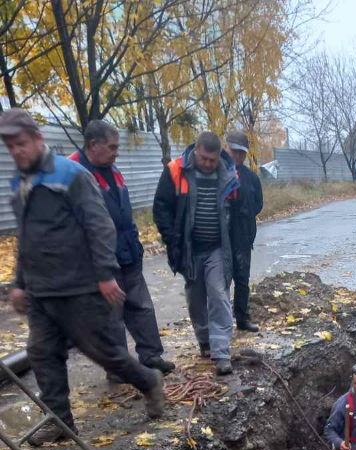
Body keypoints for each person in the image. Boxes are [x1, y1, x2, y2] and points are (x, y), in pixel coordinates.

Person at [2, 109, 166, 446]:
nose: (16, 151)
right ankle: (59, 422)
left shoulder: (70, 175)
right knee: (42, 353)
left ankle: (148, 381)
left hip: (79, 286)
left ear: (37, 138)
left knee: (105, 352)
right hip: (41, 290)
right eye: (9, 146)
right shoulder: (19, 182)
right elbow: (27, 237)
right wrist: (19, 283)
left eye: (21, 143)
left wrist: (105, 275)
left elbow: (100, 225)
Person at [69, 120, 175, 378]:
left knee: (141, 307)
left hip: (128, 252)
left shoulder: (112, 169)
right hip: (100, 260)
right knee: (110, 316)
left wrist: (135, 244)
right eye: (112, 147)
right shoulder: (73, 171)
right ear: (94, 145)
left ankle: (151, 356)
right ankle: (118, 369)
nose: (117, 152)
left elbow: (123, 213)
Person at [153, 131, 240, 376]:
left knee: (218, 293)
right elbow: (161, 207)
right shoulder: (175, 170)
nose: (208, 164)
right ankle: (205, 342)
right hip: (190, 248)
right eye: (204, 159)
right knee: (195, 297)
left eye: (212, 160)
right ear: (196, 151)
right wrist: (172, 241)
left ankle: (221, 352)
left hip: (217, 247)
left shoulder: (229, 174)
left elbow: (238, 212)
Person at [224, 131, 263, 333]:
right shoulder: (217, 173)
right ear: (226, 148)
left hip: (244, 236)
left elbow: (258, 204)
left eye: (242, 152)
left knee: (242, 279)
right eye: (234, 151)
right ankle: (221, 324)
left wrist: (244, 218)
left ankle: (242, 319)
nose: (238, 156)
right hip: (221, 238)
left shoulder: (251, 177)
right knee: (221, 281)